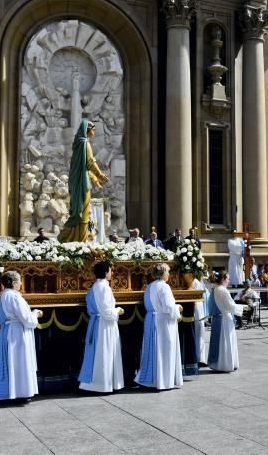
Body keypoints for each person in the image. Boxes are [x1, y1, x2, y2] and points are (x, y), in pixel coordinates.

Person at [0, 271, 42, 402]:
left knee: (14, 361)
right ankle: (20, 393)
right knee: (20, 361)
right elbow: (26, 319)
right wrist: (35, 314)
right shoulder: (14, 297)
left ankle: (15, 391)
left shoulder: (5, 295)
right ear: (14, 282)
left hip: (11, 330)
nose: (21, 283)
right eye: (20, 280)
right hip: (18, 332)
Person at [58, 120, 109, 242]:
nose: (94, 132)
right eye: (93, 129)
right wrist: (100, 174)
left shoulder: (78, 144)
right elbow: (90, 162)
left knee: (78, 210)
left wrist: (95, 179)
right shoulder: (85, 143)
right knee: (83, 210)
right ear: (88, 130)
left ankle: (72, 237)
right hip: (82, 183)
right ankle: (81, 240)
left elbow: (83, 166)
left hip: (77, 180)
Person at [79, 261, 125, 393]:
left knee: (99, 353)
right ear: (105, 272)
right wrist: (117, 311)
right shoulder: (104, 287)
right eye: (110, 270)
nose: (112, 273)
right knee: (104, 353)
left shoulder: (95, 287)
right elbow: (106, 311)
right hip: (104, 325)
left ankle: (99, 383)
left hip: (99, 322)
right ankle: (101, 384)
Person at [136, 263, 183, 390]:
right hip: (163, 323)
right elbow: (168, 307)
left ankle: (153, 380)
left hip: (152, 320)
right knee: (164, 350)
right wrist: (177, 307)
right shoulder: (164, 287)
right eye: (167, 271)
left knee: (154, 350)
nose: (169, 274)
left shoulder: (149, 286)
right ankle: (164, 381)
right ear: (162, 273)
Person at [208, 272, 244, 372]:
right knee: (225, 341)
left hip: (218, 318)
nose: (229, 280)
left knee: (219, 342)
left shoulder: (215, 288)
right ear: (223, 279)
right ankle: (225, 365)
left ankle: (217, 364)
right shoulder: (223, 290)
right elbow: (230, 306)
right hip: (225, 318)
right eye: (228, 278)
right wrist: (242, 308)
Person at [191, 273, 210, 367]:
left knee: (199, 334)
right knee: (199, 334)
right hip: (197, 310)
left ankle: (200, 357)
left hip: (199, 309)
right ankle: (199, 358)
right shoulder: (195, 282)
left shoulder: (197, 282)